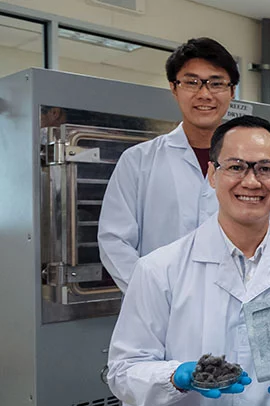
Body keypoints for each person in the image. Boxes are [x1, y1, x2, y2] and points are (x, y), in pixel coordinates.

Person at [106, 116, 270, 406]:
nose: (252, 182)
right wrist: (176, 377)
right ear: (212, 174)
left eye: (266, 168)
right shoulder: (159, 269)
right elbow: (123, 372)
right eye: (235, 167)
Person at [99, 37, 238, 294]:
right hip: (159, 307)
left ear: (232, 91)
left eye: (216, 83)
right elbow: (114, 240)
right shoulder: (138, 160)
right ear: (174, 88)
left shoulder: (248, 164)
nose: (204, 94)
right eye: (191, 82)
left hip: (234, 304)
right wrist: (151, 295)